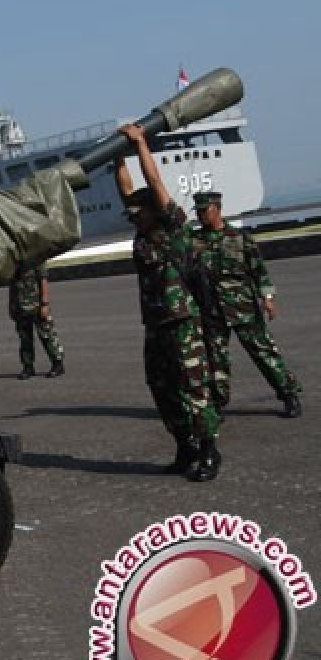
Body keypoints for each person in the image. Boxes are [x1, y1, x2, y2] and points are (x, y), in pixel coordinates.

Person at [115, 125, 221, 481]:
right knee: (161, 387)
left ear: (153, 211)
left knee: (193, 387)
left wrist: (141, 144)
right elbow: (127, 189)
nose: (133, 214)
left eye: (139, 210)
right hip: (156, 325)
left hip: (182, 322)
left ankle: (209, 450)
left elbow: (154, 183)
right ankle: (184, 446)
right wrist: (118, 156)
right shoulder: (142, 235)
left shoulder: (173, 228)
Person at [191, 191, 303, 418]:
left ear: (217, 208)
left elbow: (259, 271)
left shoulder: (240, 238)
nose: (201, 215)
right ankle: (217, 405)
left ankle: (289, 394)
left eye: (205, 210)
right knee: (215, 360)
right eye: (199, 211)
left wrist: (268, 299)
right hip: (212, 311)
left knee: (264, 353)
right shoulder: (194, 242)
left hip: (244, 308)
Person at [8, 262, 66, 379]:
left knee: (46, 335)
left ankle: (57, 364)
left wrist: (45, 304)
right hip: (20, 307)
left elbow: (43, 280)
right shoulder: (14, 260)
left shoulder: (36, 256)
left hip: (37, 305)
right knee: (25, 339)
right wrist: (12, 307)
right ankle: (28, 367)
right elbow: (12, 287)